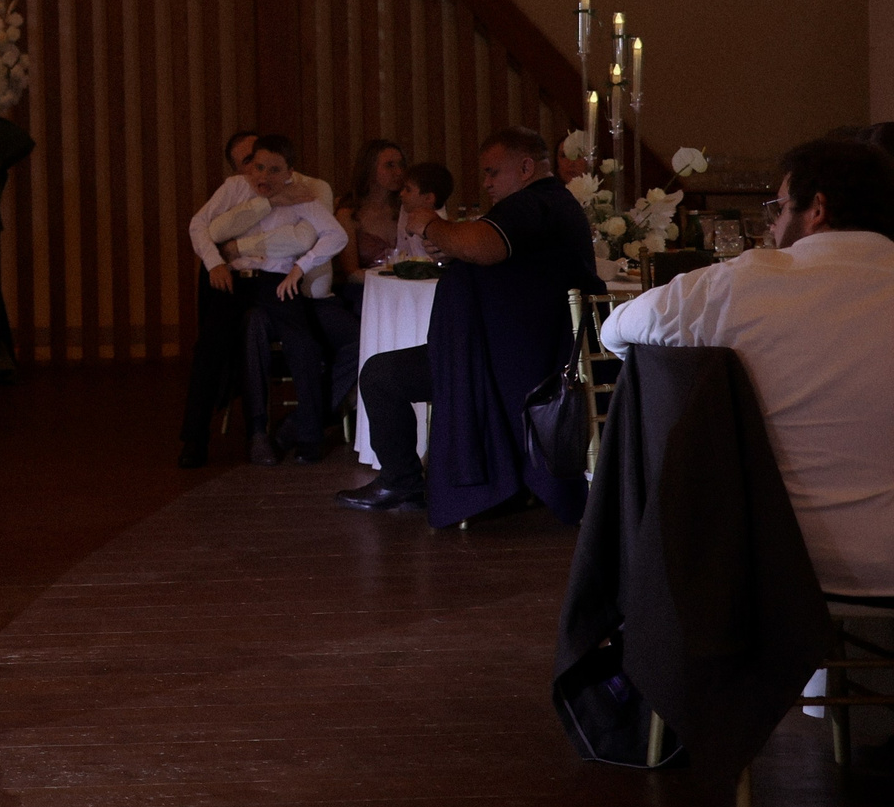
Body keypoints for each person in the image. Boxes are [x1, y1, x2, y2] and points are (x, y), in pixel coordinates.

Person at [598, 138, 894, 596]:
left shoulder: (742, 283)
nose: (774, 225)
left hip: (781, 560)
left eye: (778, 207)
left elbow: (617, 328)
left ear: (817, 208)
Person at [337, 127, 603, 522]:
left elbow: (484, 244)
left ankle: (404, 483)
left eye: (493, 172)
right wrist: (450, 247)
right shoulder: (545, 204)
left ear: (526, 167)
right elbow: (493, 258)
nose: (486, 183)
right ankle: (404, 482)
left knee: (380, 375)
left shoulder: (536, 204)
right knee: (381, 374)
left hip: (509, 366)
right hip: (498, 354)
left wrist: (430, 224)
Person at [180, 130, 334, 467]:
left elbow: (310, 237)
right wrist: (216, 261)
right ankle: (194, 439)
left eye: (261, 162)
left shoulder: (306, 189)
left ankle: (307, 435)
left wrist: (242, 247)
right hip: (235, 277)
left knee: (302, 343)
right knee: (208, 349)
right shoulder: (236, 187)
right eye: (249, 165)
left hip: (277, 277)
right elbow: (201, 226)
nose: (257, 173)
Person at [336, 139, 408, 280]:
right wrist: (385, 282)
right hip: (366, 287)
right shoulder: (349, 215)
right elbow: (351, 272)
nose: (398, 172)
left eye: (401, 165)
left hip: (406, 285)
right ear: (369, 168)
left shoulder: (406, 209)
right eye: (389, 165)